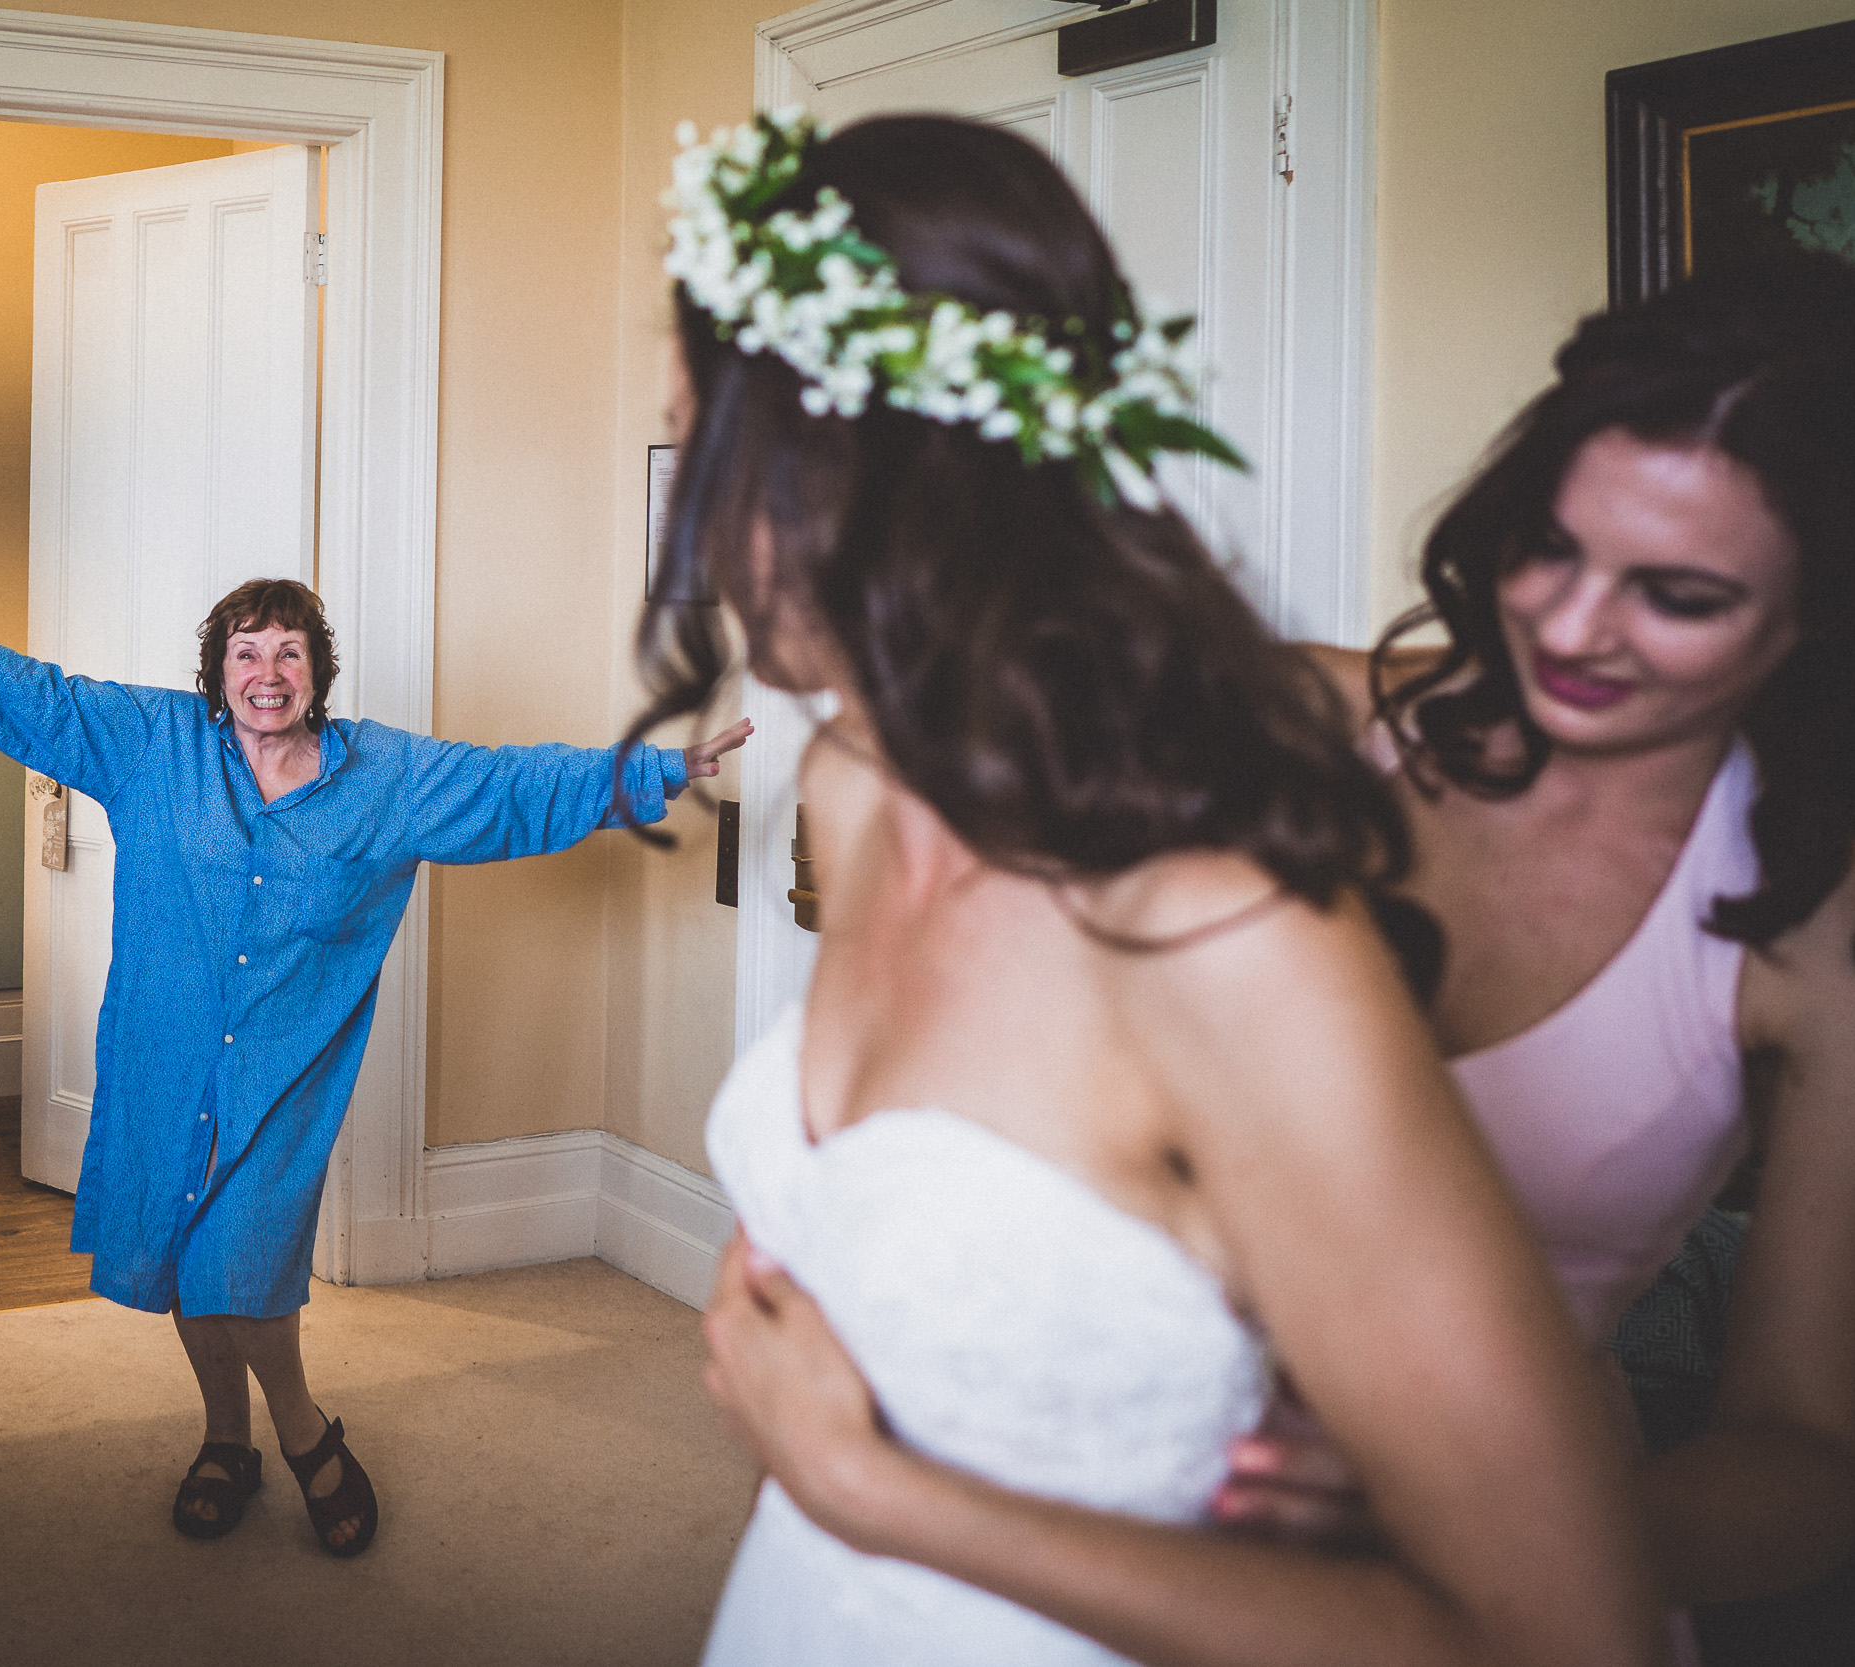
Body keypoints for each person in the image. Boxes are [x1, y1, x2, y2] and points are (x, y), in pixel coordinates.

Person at [645, 111, 1665, 1666]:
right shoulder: (856, 785)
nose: (694, 527)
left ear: (849, 459)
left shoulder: (1225, 934)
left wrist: (870, 1481)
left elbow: (1557, 1632)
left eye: (705, 453)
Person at [1207, 252, 1855, 1658]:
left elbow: (1810, 1453)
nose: (1568, 627)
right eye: (1550, 544)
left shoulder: (1815, 931)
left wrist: (1493, 1519)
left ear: (1816, 619)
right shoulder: (1310, 726)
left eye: (1677, 594)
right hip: (1119, 1504)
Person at [0, 525, 748, 1556]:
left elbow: (509, 785)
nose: (267, 671)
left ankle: (303, 1432)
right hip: (165, 1054)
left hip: (285, 1071)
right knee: (190, 1265)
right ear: (217, 670)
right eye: (246, 649)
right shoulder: (154, 743)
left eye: (288, 649)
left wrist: (655, 768)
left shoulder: (382, 776)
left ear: (316, 670)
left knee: (245, 1263)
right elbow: (37, 697)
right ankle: (222, 1439)